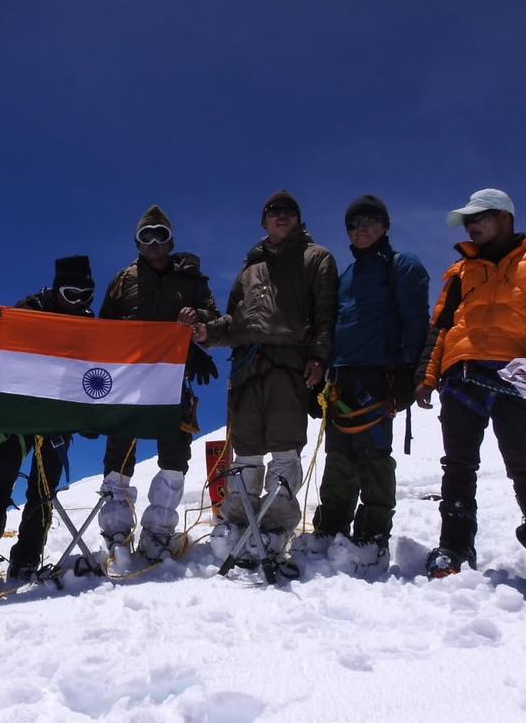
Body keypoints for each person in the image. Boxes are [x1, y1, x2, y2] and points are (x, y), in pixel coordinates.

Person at [414, 188, 526, 594]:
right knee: (457, 467)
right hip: (462, 377)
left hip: (516, 378)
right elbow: (440, 328)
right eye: (467, 221)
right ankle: (454, 549)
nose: (471, 226)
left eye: (478, 218)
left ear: (504, 217)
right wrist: (426, 375)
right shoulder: (459, 273)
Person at [193, 190, 338, 575]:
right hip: (247, 366)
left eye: (289, 211)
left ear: (298, 219)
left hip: (289, 362)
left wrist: (319, 357)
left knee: (285, 450)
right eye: (274, 211)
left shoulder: (315, 258)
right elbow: (234, 323)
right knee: (248, 454)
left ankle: (273, 530)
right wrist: (206, 333)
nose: (281, 216)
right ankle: (239, 525)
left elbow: (325, 315)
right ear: (264, 221)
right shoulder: (249, 268)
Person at [305, 195, 428, 571]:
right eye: (355, 223)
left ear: (385, 226)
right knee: (339, 456)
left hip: (380, 375)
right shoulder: (347, 276)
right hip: (342, 375)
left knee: (373, 457)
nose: (362, 228)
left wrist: (410, 374)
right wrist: (322, 378)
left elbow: (416, 322)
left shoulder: (401, 266)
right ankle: (331, 526)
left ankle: (373, 534)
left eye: (370, 221)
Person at [98, 205, 220, 561]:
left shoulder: (193, 282)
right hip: (127, 381)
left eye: (160, 235)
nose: (153, 242)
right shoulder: (123, 279)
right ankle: (117, 531)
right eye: (145, 236)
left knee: (175, 456)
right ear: (137, 243)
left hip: (173, 380)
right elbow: (103, 329)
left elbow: (214, 322)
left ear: (171, 241)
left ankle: (158, 530)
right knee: (118, 455)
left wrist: (197, 320)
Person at [0, 256, 96, 579]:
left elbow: (92, 374)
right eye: (70, 292)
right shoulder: (31, 309)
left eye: (84, 295)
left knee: (43, 491)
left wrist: (91, 416)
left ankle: (26, 559)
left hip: (57, 421)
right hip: (18, 418)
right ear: (56, 288)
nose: (76, 301)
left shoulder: (92, 327)